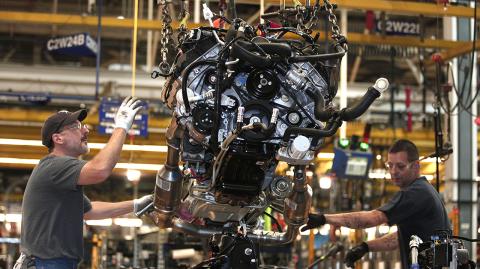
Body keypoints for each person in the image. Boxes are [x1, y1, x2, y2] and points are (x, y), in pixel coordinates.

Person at [15, 96, 154, 269]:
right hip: (47, 264)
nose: (85, 130)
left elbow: (89, 210)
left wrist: (135, 204)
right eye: (76, 127)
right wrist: (121, 127)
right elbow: (100, 169)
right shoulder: (55, 165)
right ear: (58, 139)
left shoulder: (58, 173)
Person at [301, 139, 451, 269]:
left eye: (400, 166)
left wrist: (324, 219)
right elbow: (400, 238)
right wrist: (365, 247)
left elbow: (372, 219)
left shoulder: (415, 193)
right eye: (390, 165)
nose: (393, 171)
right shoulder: (425, 190)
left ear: (416, 166)